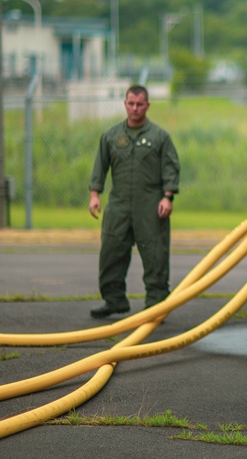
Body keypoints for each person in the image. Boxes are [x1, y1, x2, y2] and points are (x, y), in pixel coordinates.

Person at [88, 85, 180, 319]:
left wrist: (167, 197)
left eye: (140, 104)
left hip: (150, 204)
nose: (135, 108)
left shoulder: (159, 137)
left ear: (147, 105)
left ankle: (156, 305)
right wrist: (94, 195)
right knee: (111, 251)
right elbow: (101, 166)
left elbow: (170, 167)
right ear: (125, 104)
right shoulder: (111, 136)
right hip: (119, 204)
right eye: (131, 103)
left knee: (155, 255)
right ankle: (114, 300)